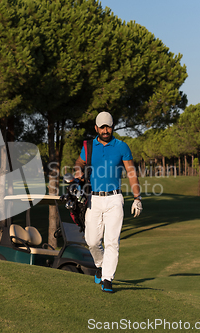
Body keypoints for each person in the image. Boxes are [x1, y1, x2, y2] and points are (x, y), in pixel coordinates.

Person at [74, 111, 142, 293]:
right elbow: (78, 163)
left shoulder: (122, 147)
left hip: (114, 199)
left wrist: (137, 198)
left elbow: (131, 173)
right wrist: (78, 172)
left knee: (112, 241)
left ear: (113, 127)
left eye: (108, 126)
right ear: (96, 128)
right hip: (94, 199)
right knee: (92, 241)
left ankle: (107, 279)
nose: (105, 130)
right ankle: (100, 264)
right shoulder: (89, 147)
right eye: (102, 127)